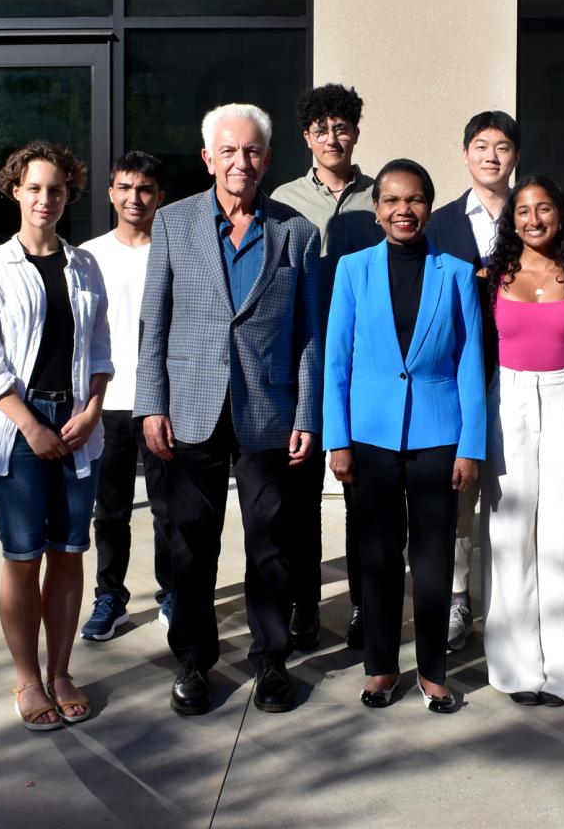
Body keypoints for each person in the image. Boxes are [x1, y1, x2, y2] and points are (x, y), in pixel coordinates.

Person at [135, 103, 322, 716]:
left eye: (252, 152)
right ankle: (193, 659)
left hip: (268, 410)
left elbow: (308, 334)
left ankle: (269, 659)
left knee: (271, 541)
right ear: (208, 158)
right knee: (190, 541)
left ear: (267, 160)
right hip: (191, 407)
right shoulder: (173, 223)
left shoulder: (296, 232)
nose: (241, 162)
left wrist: (306, 413)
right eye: (229, 150)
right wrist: (150, 404)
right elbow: (153, 322)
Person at [324, 158, 485, 713]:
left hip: (440, 433)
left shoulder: (458, 272)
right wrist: (336, 439)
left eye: (414, 200)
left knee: (436, 554)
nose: (403, 210)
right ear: (376, 211)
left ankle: (435, 670)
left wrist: (472, 444)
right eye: (391, 200)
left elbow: (470, 363)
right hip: (369, 434)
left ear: (428, 206)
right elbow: (336, 361)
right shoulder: (352, 270)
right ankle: (382, 666)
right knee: (378, 554)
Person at [0, 141, 112, 730]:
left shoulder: (86, 265)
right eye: (34, 188)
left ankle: (61, 670)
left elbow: (101, 350)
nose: (45, 199)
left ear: (69, 194)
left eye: (56, 189)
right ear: (15, 191)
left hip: (77, 426)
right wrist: (31, 426)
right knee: (23, 556)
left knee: (70, 553)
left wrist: (93, 410)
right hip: (17, 428)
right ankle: (27, 678)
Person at [480, 175, 564, 706]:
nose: (533, 219)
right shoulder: (491, 277)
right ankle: (516, 667)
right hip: (506, 400)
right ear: (511, 221)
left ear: (561, 214)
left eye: (544, 209)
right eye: (523, 210)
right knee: (510, 536)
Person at [271, 83, 382, 651]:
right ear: (306, 137)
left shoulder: (381, 198)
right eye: (321, 130)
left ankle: (365, 604)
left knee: (362, 493)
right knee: (300, 496)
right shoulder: (284, 199)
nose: (332, 138)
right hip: (302, 360)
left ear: (356, 132)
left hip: (364, 363)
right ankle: (305, 605)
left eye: (342, 127)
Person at [426, 109, 520, 651]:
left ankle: (506, 602)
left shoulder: (532, 216)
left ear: (515, 157)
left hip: (515, 374)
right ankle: (460, 598)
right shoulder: (440, 223)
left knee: (510, 496)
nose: (491, 155)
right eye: (481, 146)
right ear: (465, 155)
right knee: (459, 498)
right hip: (457, 374)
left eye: (502, 146)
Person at [78, 152, 173, 641]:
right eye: (125, 188)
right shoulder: (87, 256)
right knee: (109, 510)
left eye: (145, 189)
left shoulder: (174, 249)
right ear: (111, 192)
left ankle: (172, 591)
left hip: (163, 402)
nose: (135, 198)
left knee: (167, 509)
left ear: (160, 196)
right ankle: (110, 597)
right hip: (107, 403)